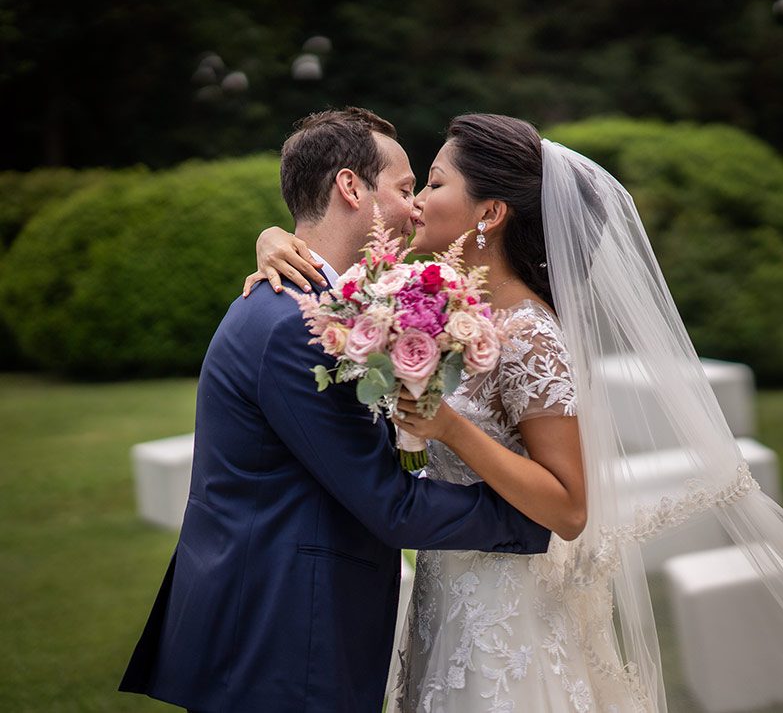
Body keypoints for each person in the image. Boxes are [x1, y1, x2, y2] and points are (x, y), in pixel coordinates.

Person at [250, 113, 783, 712]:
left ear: (490, 213)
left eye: (433, 184)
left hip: (506, 615)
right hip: (446, 597)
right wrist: (274, 236)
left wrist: (446, 427)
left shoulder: (533, 336)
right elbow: (339, 272)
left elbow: (572, 507)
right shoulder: (429, 300)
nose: (413, 205)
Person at [118, 108, 550, 713]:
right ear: (351, 188)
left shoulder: (334, 304)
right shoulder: (295, 323)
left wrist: (273, 234)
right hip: (282, 637)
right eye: (404, 189)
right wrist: (538, 513)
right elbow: (392, 506)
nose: (416, 207)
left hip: (279, 623)